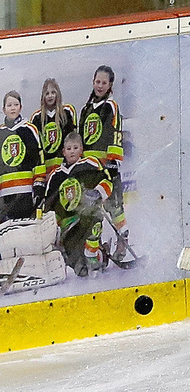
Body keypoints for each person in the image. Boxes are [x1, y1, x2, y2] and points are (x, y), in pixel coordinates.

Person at [43, 131, 114, 277]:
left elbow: (107, 181)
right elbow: (50, 203)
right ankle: (100, 253)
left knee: (94, 220)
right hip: (68, 224)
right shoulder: (56, 175)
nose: (72, 151)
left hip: (87, 216)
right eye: (69, 149)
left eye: (75, 148)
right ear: (63, 152)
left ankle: (93, 254)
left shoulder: (90, 164)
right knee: (81, 270)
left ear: (81, 149)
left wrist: (98, 192)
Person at [79, 65, 130, 260]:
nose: (100, 86)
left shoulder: (111, 106)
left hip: (107, 168)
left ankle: (122, 241)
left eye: (104, 82)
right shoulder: (86, 109)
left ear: (110, 85)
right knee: (93, 212)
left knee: (114, 207)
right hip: (90, 169)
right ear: (93, 82)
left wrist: (113, 163)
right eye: (97, 82)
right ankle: (97, 247)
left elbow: (116, 134)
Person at [0, 91, 46, 222]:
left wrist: (39, 186)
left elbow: (39, 161)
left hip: (26, 193)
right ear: (4, 109)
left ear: (20, 107)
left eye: (16, 104)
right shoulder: (1, 133)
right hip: (5, 197)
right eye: (9, 105)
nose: (13, 108)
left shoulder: (30, 129)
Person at [31, 78, 77, 181]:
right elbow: (36, 149)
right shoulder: (37, 118)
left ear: (58, 94)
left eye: (53, 92)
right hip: (47, 171)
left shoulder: (67, 112)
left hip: (65, 167)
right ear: (43, 96)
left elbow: (73, 140)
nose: (50, 96)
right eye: (47, 93)